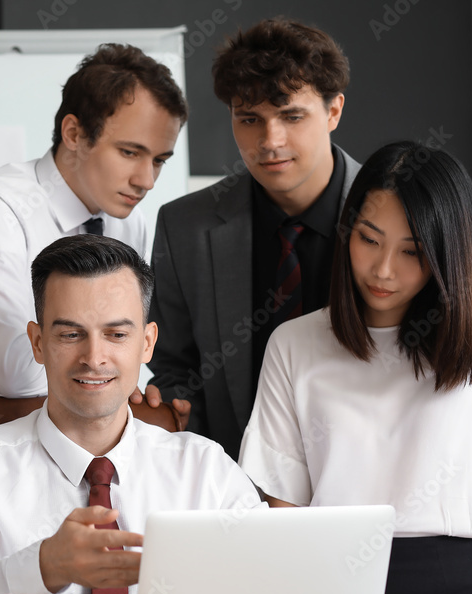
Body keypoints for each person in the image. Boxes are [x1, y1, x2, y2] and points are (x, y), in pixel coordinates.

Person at [0, 235, 262, 594]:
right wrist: (41, 568)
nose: (94, 357)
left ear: (146, 343)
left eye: (116, 334)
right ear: (37, 343)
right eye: (71, 334)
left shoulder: (207, 472)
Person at [238, 141, 472, 594]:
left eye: (413, 252)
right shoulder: (295, 344)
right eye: (369, 240)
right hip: (331, 591)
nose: (383, 271)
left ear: (449, 251)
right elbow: (283, 510)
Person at [139, 19, 360, 460]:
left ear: (333, 111)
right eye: (250, 119)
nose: (270, 141)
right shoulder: (185, 226)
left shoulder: (399, 217)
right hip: (232, 485)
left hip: (372, 481)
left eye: (292, 116)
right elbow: (174, 367)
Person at [0, 42, 187, 401]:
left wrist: (137, 394)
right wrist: (117, 380)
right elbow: (13, 377)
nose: (147, 180)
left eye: (159, 160)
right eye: (130, 152)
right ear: (74, 134)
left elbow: (125, 353)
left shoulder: (130, 223)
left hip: (91, 436)